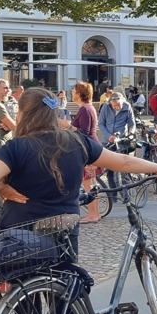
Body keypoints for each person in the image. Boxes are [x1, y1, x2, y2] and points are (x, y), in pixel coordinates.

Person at [0, 87, 157, 240]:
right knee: (65, 287)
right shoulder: (77, 142)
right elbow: (123, 162)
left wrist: (4, 189)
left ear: (22, 114)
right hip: (63, 230)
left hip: (20, 231)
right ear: (54, 114)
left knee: (20, 290)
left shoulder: (17, 147)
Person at [62, 81, 103, 223]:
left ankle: (92, 214)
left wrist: (68, 126)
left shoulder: (84, 109)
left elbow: (83, 132)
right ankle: (95, 213)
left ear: (79, 94)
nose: (72, 93)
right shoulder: (88, 107)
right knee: (92, 183)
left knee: (87, 182)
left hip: (86, 148)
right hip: (91, 146)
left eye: (74, 90)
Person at [99, 92, 137, 203]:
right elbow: (101, 123)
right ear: (110, 103)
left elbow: (131, 123)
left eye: (119, 105)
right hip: (108, 141)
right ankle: (113, 196)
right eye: (115, 105)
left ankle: (126, 195)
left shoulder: (127, 107)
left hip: (122, 141)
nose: (117, 107)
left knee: (124, 168)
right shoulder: (106, 107)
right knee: (110, 170)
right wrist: (108, 136)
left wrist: (131, 132)